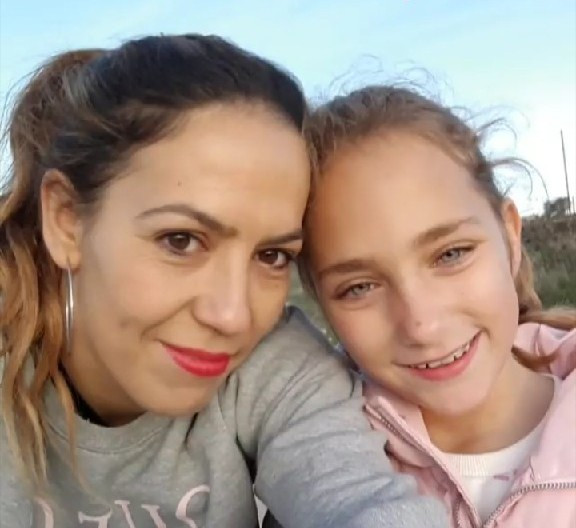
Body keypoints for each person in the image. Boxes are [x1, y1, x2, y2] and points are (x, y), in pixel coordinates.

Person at [0, 37, 448, 528]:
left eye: (272, 256)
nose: (233, 316)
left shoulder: (277, 366)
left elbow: (363, 498)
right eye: (181, 241)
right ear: (67, 221)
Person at [300, 85, 576, 527]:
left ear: (510, 236)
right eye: (360, 287)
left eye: (451, 254)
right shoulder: (312, 475)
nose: (422, 324)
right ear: (319, 299)